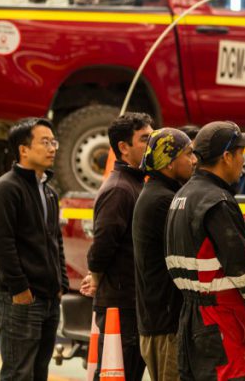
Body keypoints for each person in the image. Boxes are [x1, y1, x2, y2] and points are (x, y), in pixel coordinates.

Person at [165, 121, 245, 380]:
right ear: (226, 157)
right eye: (240, 152)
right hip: (223, 322)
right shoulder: (217, 202)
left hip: (191, 319)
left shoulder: (181, 196)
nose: (243, 160)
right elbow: (242, 267)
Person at [0, 117, 69, 381]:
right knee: (18, 373)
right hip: (21, 300)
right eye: (45, 142)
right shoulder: (6, 189)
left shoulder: (48, 191)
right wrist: (20, 289)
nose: (52, 148)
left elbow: (55, 240)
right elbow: (2, 245)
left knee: (39, 373)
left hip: (48, 298)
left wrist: (61, 283)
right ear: (23, 149)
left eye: (53, 142)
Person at [82, 112, 153, 381]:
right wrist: (96, 275)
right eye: (145, 139)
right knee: (117, 374)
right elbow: (103, 243)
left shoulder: (136, 183)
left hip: (131, 301)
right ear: (123, 147)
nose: (151, 145)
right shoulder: (120, 189)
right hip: (121, 305)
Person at [132, 127, 197, 381]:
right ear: (169, 162)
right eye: (188, 153)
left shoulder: (156, 194)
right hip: (166, 325)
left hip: (157, 321)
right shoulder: (164, 200)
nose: (193, 160)